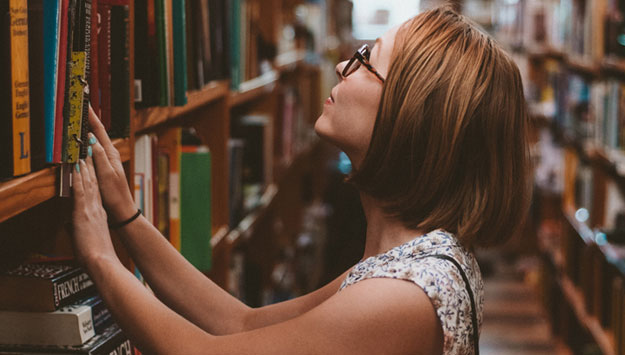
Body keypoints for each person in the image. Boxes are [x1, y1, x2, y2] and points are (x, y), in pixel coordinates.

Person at [71, 4, 530, 355]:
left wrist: (98, 255)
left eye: (366, 59)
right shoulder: (409, 259)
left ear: (410, 115)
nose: (341, 66)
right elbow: (241, 324)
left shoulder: (404, 294)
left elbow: (201, 352)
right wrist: (127, 217)